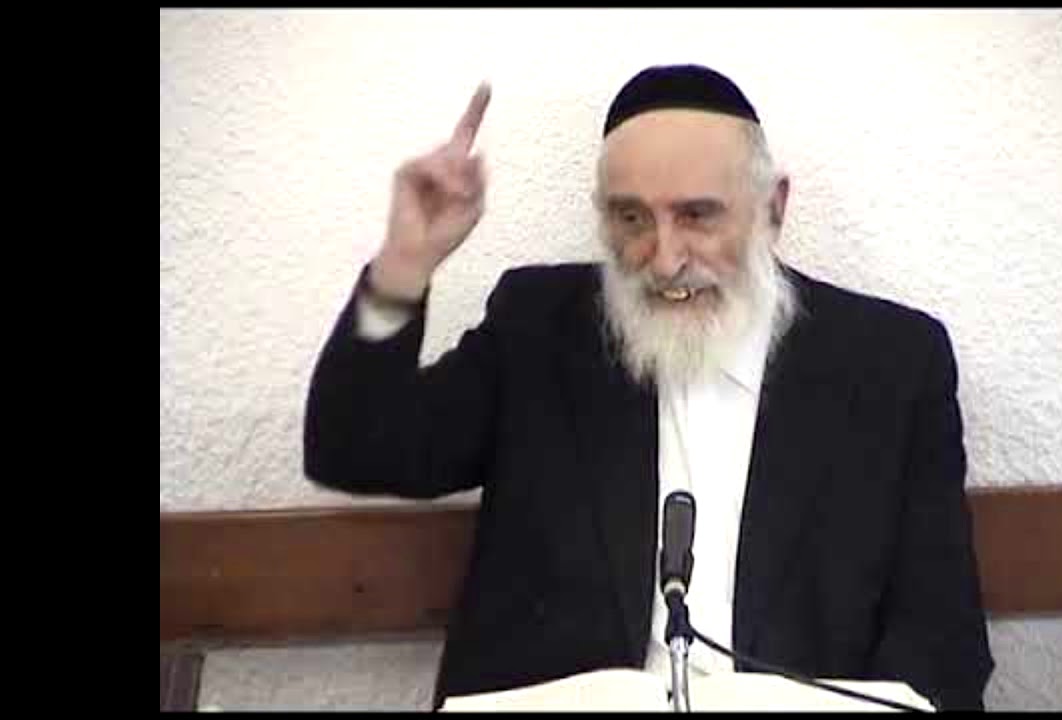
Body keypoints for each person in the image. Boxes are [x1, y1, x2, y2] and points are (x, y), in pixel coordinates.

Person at [304, 64, 994, 711]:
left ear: (773, 208)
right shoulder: (539, 330)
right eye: (631, 218)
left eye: (697, 215)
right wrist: (404, 266)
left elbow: (943, 639)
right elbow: (355, 450)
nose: (664, 260)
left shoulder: (891, 364)